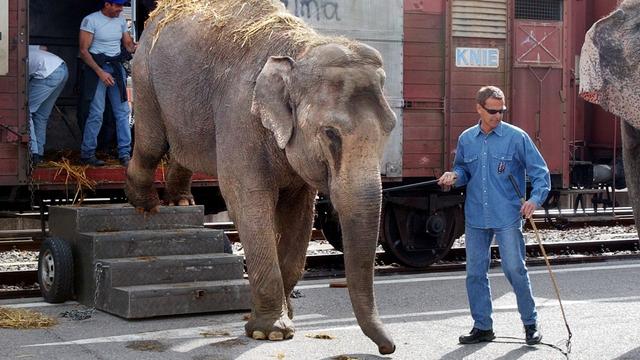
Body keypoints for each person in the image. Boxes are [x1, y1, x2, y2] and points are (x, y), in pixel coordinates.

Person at [438, 86, 550, 346]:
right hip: (476, 215)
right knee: (475, 273)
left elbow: (540, 172)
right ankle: (482, 326)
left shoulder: (516, 137)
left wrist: (535, 199)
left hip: (508, 215)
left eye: (501, 111)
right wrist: (454, 177)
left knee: (514, 269)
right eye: (492, 111)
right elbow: (464, 171)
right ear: (478, 108)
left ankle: (530, 324)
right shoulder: (467, 139)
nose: (497, 116)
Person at [78, 0, 136, 166]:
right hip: (97, 68)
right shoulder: (91, 20)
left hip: (116, 68)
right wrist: (100, 72)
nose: (120, 9)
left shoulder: (120, 21)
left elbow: (128, 45)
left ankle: (125, 154)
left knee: (123, 111)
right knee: (96, 112)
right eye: (117, 6)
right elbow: (83, 51)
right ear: (107, 4)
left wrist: (136, 46)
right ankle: (87, 153)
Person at [28, 45, 69, 165]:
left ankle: (33, 152)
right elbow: (44, 48)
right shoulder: (26, 46)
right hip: (62, 67)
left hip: (47, 73)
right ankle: (39, 154)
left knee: (25, 111)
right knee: (41, 115)